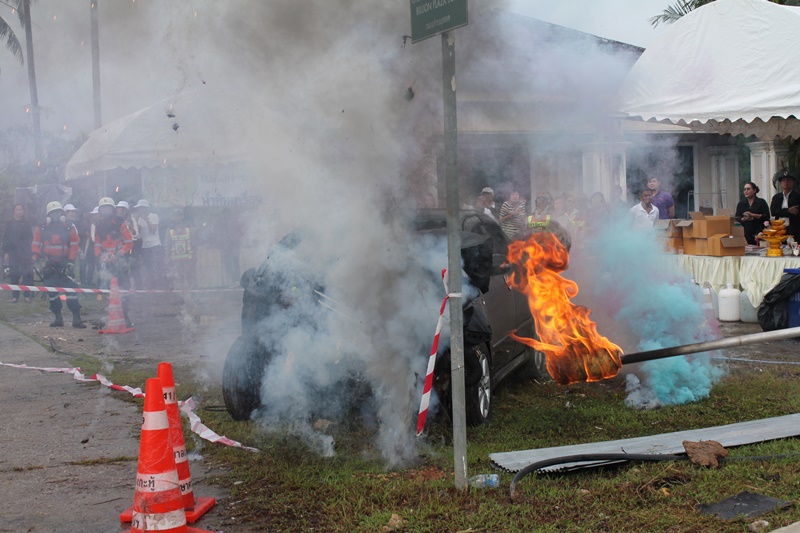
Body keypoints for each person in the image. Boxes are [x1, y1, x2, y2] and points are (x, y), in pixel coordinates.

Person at [31, 201, 84, 328]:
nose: (55, 215)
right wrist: (37, 259)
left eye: (58, 212)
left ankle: (76, 318)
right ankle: (58, 318)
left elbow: (74, 245)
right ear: (48, 215)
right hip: (48, 264)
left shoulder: (69, 228)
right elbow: (36, 245)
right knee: (52, 293)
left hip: (65, 263)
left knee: (71, 292)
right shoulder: (42, 228)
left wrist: (70, 262)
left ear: (62, 214)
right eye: (52, 213)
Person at [94, 197, 134, 327]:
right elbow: (97, 244)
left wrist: (118, 254)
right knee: (105, 289)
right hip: (106, 262)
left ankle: (125, 316)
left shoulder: (120, 223)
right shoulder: (98, 225)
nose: (106, 211)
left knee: (124, 288)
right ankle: (109, 317)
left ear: (112, 210)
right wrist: (100, 256)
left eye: (108, 209)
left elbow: (129, 242)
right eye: (103, 209)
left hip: (120, 261)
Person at [3, 204, 34, 303]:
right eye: (17, 209)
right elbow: (6, 238)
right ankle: (15, 296)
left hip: (25, 252)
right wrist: (6, 252)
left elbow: (30, 237)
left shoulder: (27, 223)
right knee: (14, 274)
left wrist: (28, 250)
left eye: (20, 209)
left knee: (27, 274)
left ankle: (27, 295)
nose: (19, 211)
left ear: (23, 211)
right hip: (13, 253)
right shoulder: (9, 223)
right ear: (14, 211)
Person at [134, 199, 164, 288]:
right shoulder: (139, 219)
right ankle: (151, 285)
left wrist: (146, 219)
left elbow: (153, 230)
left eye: (141, 208)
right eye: (139, 209)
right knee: (148, 266)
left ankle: (160, 285)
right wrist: (136, 220)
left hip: (155, 245)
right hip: (145, 246)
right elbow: (137, 232)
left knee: (157, 265)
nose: (140, 210)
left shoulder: (154, 216)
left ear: (146, 208)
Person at [166, 208, 196, 289]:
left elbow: (194, 243)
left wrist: (194, 256)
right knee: (178, 280)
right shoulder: (170, 229)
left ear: (182, 217)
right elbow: (167, 245)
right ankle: (181, 298)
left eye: (179, 215)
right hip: (176, 260)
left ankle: (194, 297)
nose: (177, 218)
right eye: (176, 216)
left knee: (191, 278)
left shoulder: (189, 228)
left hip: (188, 259)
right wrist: (168, 258)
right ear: (172, 217)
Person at [770, 173, 800, 241]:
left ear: (793, 182)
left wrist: (781, 211)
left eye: (788, 180)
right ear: (781, 183)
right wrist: (788, 210)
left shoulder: (797, 197)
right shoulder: (776, 197)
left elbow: (796, 211)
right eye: (783, 180)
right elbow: (774, 212)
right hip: (779, 229)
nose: (786, 182)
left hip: (794, 229)